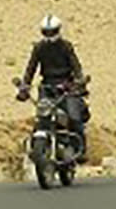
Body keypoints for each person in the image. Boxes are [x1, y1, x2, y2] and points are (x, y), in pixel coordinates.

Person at [16, 14, 91, 158]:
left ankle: (80, 150)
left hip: (66, 86)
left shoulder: (66, 46)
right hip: (47, 87)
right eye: (46, 32)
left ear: (58, 30)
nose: (49, 35)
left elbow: (76, 66)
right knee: (41, 117)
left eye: (52, 31)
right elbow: (31, 68)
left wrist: (79, 82)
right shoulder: (39, 48)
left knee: (74, 117)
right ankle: (36, 148)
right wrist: (24, 86)